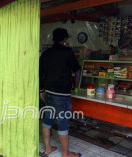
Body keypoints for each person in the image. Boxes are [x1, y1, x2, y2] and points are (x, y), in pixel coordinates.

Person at [40, 28, 81, 157]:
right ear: (64, 39)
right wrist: (76, 86)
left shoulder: (45, 54)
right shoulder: (67, 52)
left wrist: (41, 91)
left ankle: (47, 149)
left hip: (49, 93)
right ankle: (66, 153)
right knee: (63, 123)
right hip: (62, 94)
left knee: (47, 120)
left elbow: (40, 74)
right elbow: (78, 70)